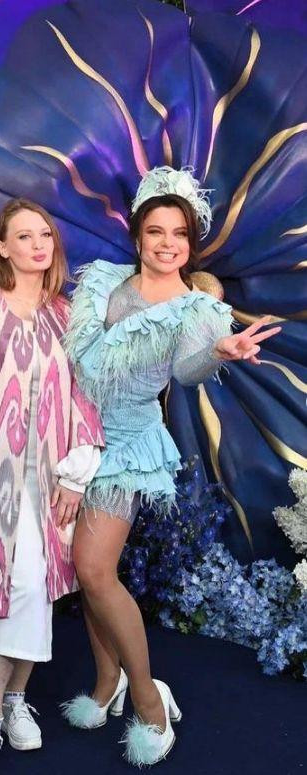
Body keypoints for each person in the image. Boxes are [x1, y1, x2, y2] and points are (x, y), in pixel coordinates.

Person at [61, 167, 280, 767]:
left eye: (179, 233)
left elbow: (185, 372)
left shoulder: (196, 308)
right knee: (85, 573)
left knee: (94, 568)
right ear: (137, 235)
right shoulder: (104, 282)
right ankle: (107, 683)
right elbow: (73, 361)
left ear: (191, 241)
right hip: (71, 440)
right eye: (156, 231)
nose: (167, 243)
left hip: (125, 446)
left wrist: (219, 350)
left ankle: (148, 699)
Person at [0, 198, 104, 775]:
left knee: (35, 586)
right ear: (2, 247)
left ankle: (7, 705)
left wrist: (77, 473)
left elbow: (86, 395)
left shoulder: (67, 315)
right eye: (24, 236)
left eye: (45, 235)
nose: (38, 245)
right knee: (14, 585)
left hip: (52, 480)